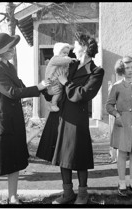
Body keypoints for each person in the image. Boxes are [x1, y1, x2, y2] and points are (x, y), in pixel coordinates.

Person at [37, 34, 104, 204]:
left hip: (77, 118)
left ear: (83, 47)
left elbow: (83, 94)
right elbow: (56, 78)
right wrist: (47, 87)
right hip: (61, 115)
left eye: (75, 45)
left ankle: (82, 194)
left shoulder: (96, 71)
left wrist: (66, 82)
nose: (73, 48)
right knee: (63, 155)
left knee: (79, 155)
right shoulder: (71, 64)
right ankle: (68, 193)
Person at [0, 33, 49, 205]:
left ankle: (12, 196)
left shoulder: (9, 67)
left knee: (15, 158)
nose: (13, 50)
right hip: (0, 120)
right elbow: (13, 92)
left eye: (13, 47)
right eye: (9, 48)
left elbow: (20, 87)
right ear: (0, 51)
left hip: (15, 117)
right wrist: (39, 87)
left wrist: (41, 87)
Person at [106, 56, 132, 197]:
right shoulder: (116, 86)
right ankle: (122, 182)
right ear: (122, 69)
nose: (130, 70)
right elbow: (109, 105)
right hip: (122, 123)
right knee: (122, 153)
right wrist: (117, 115)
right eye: (127, 67)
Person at [45, 42, 76, 112]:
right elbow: (64, 61)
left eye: (67, 53)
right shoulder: (54, 59)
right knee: (58, 92)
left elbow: (66, 71)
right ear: (57, 52)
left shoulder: (64, 63)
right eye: (63, 52)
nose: (66, 55)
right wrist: (70, 59)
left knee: (60, 93)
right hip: (52, 80)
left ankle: (52, 105)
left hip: (58, 81)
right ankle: (53, 104)